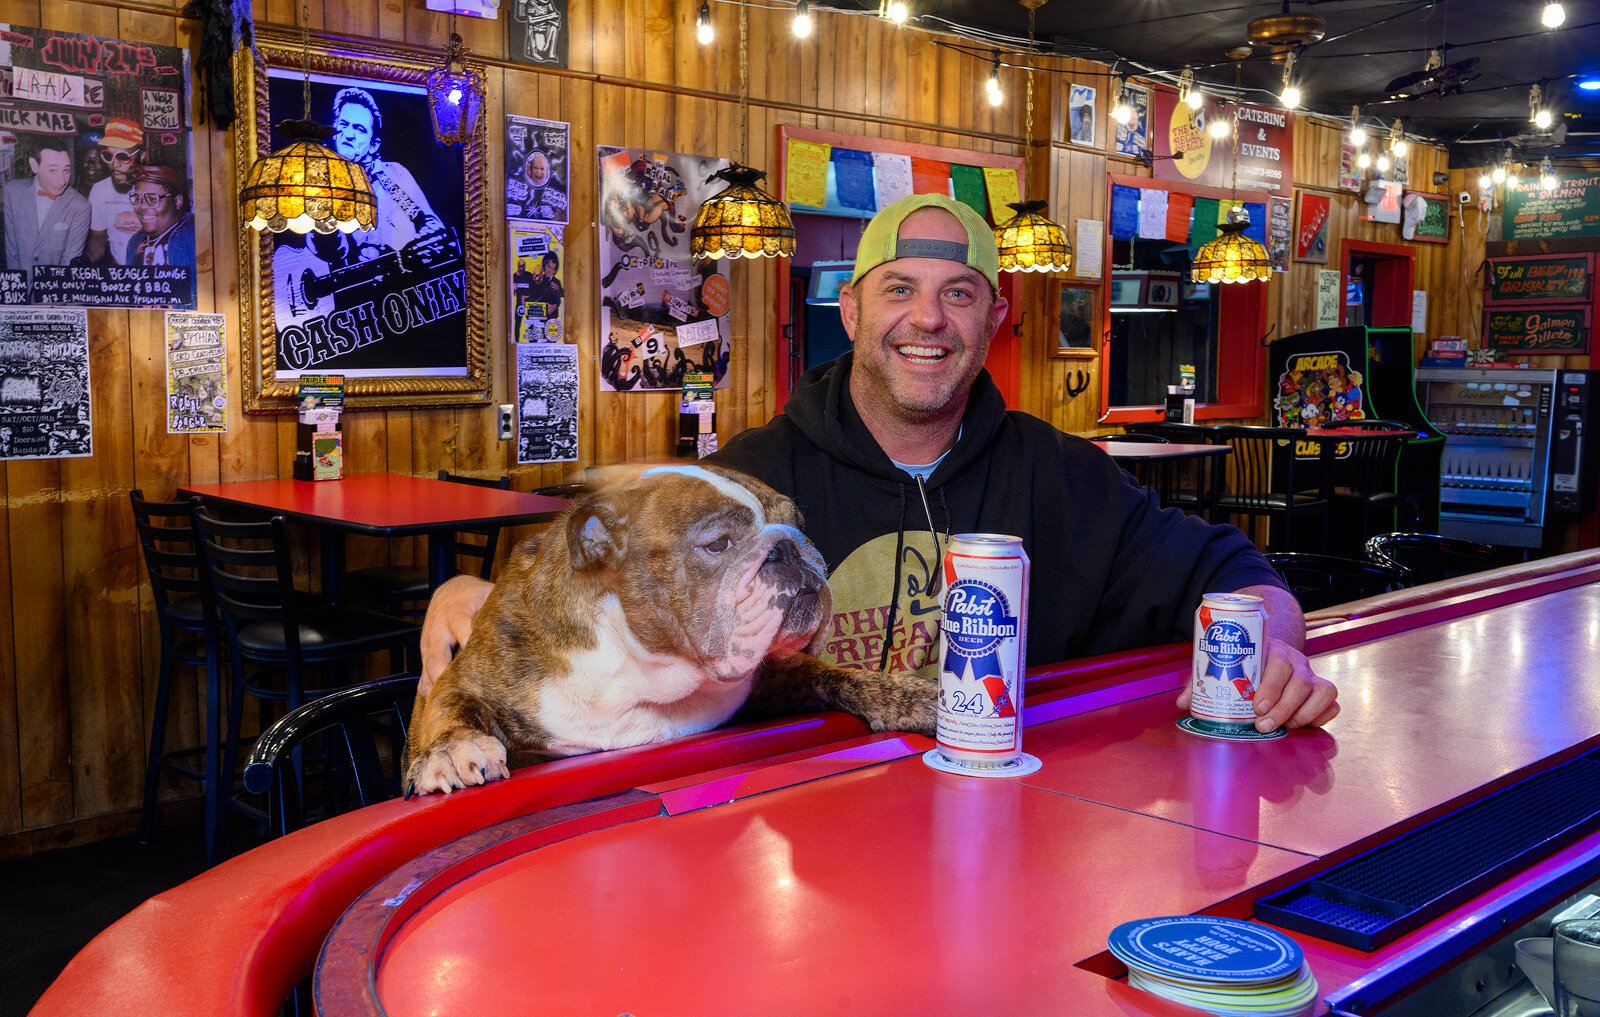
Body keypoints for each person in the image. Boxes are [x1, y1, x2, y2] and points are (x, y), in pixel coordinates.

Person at [423, 194, 1338, 734]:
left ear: (993, 320)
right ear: (854, 313)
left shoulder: (1063, 474)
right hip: (795, 843)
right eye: (898, 290)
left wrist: (1276, 642)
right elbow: (618, 599)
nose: (928, 320)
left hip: (1016, 830)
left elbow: (1233, 571)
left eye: (959, 296)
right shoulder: (754, 480)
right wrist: (482, 602)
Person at [326, 86, 446, 263]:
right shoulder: (321, 182)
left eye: (359, 129)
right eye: (343, 125)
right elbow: (330, 251)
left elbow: (434, 226)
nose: (348, 135)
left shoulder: (393, 172)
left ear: (374, 145)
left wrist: (412, 254)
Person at [3, 139, 91, 273]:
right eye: (53, 170)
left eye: (66, 170)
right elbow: (12, 253)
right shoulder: (13, 192)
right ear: (34, 165)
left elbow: (69, 265)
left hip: (54, 290)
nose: (62, 181)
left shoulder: (80, 206)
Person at [84, 118, 144, 266]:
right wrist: (82, 262)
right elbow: (98, 240)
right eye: (108, 156)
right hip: (120, 272)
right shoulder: (99, 191)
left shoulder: (157, 189)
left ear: (142, 156)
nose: (115, 164)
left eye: (123, 157)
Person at [122, 166, 195, 267]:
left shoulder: (193, 234)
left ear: (178, 202)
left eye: (152, 199)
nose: (142, 206)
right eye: (137, 198)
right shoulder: (134, 242)